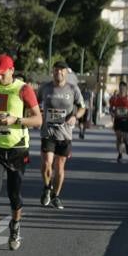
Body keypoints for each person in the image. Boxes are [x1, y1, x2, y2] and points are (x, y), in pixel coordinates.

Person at [0, 54, 41, 255]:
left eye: (2, 74)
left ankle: (15, 225)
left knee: (15, 195)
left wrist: (15, 120)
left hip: (17, 149)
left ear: (11, 70)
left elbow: (38, 119)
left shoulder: (23, 89)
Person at [38, 60, 87, 210]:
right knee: (47, 163)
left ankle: (56, 196)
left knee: (59, 166)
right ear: (52, 71)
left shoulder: (73, 89)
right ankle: (47, 187)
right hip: (48, 132)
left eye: (61, 70)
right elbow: (34, 104)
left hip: (65, 134)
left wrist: (75, 116)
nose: (58, 72)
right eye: (56, 70)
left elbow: (82, 108)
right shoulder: (45, 88)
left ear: (66, 72)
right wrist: (37, 113)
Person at [109, 81, 128, 163]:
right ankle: (120, 154)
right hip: (118, 119)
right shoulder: (115, 98)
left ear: (126, 89)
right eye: (120, 87)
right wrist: (112, 113)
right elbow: (111, 108)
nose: (121, 89)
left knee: (125, 136)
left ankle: (127, 144)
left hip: (126, 120)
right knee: (119, 137)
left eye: (123, 88)